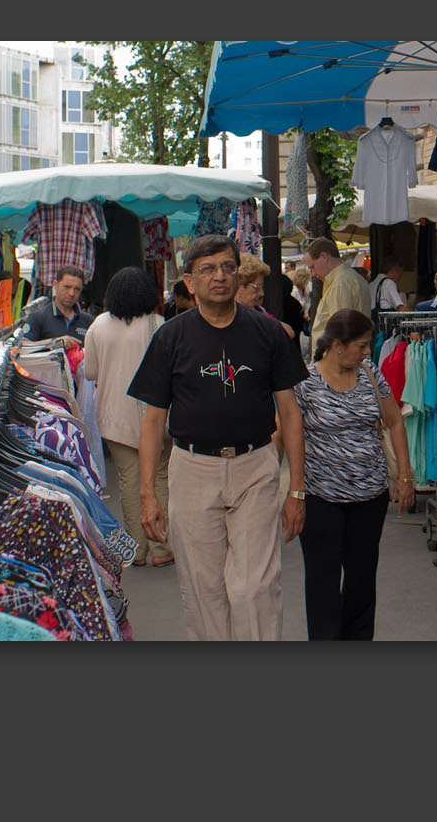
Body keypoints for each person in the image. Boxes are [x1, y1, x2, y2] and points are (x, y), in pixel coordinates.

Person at [127, 234, 309, 641]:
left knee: (256, 588)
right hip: (192, 470)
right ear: (189, 282)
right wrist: (147, 494)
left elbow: (291, 413)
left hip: (256, 466)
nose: (220, 276)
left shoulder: (269, 333)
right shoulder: (170, 337)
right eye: (207, 269)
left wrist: (296, 489)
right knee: (203, 591)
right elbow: (153, 420)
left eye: (227, 267)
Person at [291, 309, 414, 639]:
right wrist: (292, 491)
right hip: (320, 500)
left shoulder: (370, 373)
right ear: (337, 345)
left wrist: (405, 474)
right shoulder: (305, 382)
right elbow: (286, 435)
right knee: (322, 582)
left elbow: (396, 421)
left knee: (361, 579)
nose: (366, 352)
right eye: (361, 346)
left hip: (369, 499)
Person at [80, 267, 173, 567]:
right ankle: (162, 548)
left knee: (130, 481)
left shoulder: (97, 326)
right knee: (159, 479)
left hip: (113, 418)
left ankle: (137, 552)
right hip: (156, 417)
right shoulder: (160, 325)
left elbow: (90, 372)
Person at [306, 237, 373, 328]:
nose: (313, 274)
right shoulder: (347, 278)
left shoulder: (340, 283)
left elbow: (339, 330)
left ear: (324, 257)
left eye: (312, 267)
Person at [22, 265, 94, 349]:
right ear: (55, 285)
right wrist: (54, 343)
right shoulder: (38, 317)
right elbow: (23, 347)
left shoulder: (87, 320)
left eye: (77, 289)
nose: (71, 293)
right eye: (67, 287)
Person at [234, 254, 298, 341]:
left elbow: (289, 332)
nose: (261, 293)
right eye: (257, 287)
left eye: (262, 287)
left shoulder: (257, 311)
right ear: (239, 285)